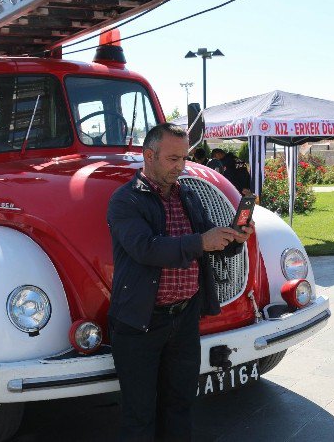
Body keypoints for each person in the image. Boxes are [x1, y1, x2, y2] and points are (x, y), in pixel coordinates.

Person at [107, 123, 254, 441]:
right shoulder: (125, 201)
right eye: (173, 159)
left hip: (184, 321)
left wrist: (235, 238)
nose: (181, 167)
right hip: (140, 325)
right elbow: (146, 249)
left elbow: (211, 248)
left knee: (180, 407)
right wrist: (202, 241)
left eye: (184, 158)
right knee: (139, 417)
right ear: (149, 155)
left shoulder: (187, 194)